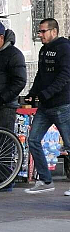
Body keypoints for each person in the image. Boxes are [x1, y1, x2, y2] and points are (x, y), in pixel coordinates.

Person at [24, 18, 70, 194]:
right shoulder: (43, 50)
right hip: (45, 106)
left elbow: (65, 75)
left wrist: (47, 93)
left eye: (43, 31)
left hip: (62, 105)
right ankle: (45, 180)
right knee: (33, 140)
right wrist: (33, 93)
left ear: (54, 31)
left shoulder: (64, 48)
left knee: (69, 144)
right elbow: (40, 75)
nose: (40, 35)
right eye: (39, 31)